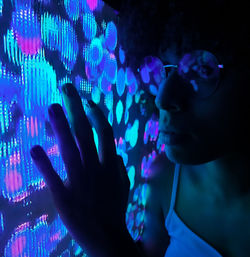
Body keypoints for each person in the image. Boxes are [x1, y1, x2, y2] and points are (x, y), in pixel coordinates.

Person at [30, 0, 250, 256]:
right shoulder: (163, 181)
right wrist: (108, 233)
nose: (163, 99)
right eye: (162, 70)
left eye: (202, 70)